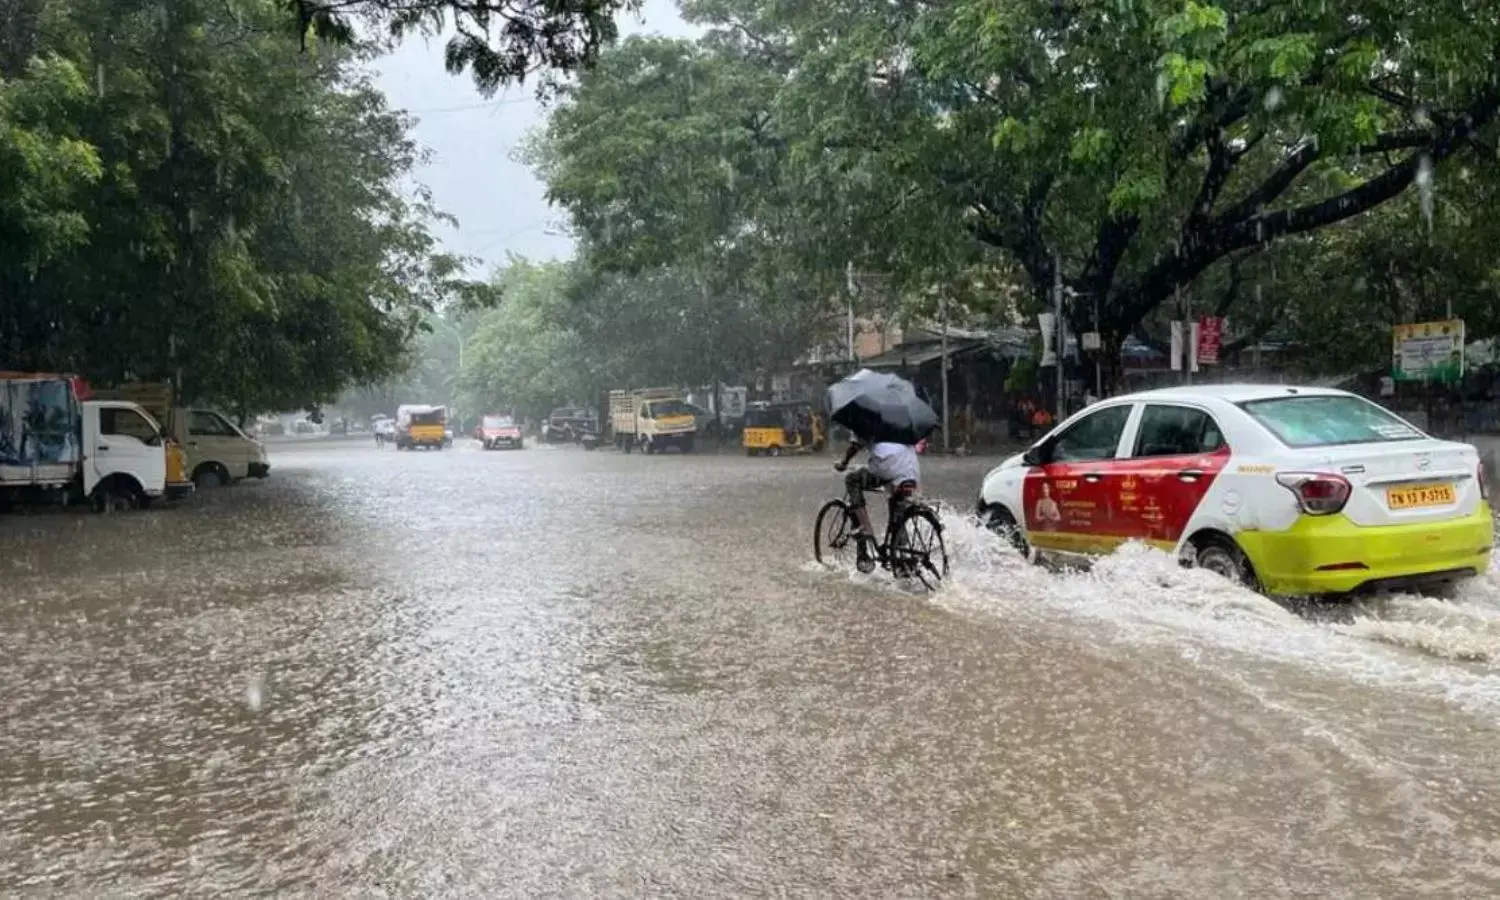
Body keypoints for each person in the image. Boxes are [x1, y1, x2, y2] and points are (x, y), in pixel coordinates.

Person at [834, 433, 922, 573]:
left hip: (886, 469)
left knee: (852, 479)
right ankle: (901, 552)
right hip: (910, 471)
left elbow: (855, 445)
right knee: (898, 506)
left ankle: (864, 528)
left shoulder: (869, 417)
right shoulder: (902, 421)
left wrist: (843, 463)